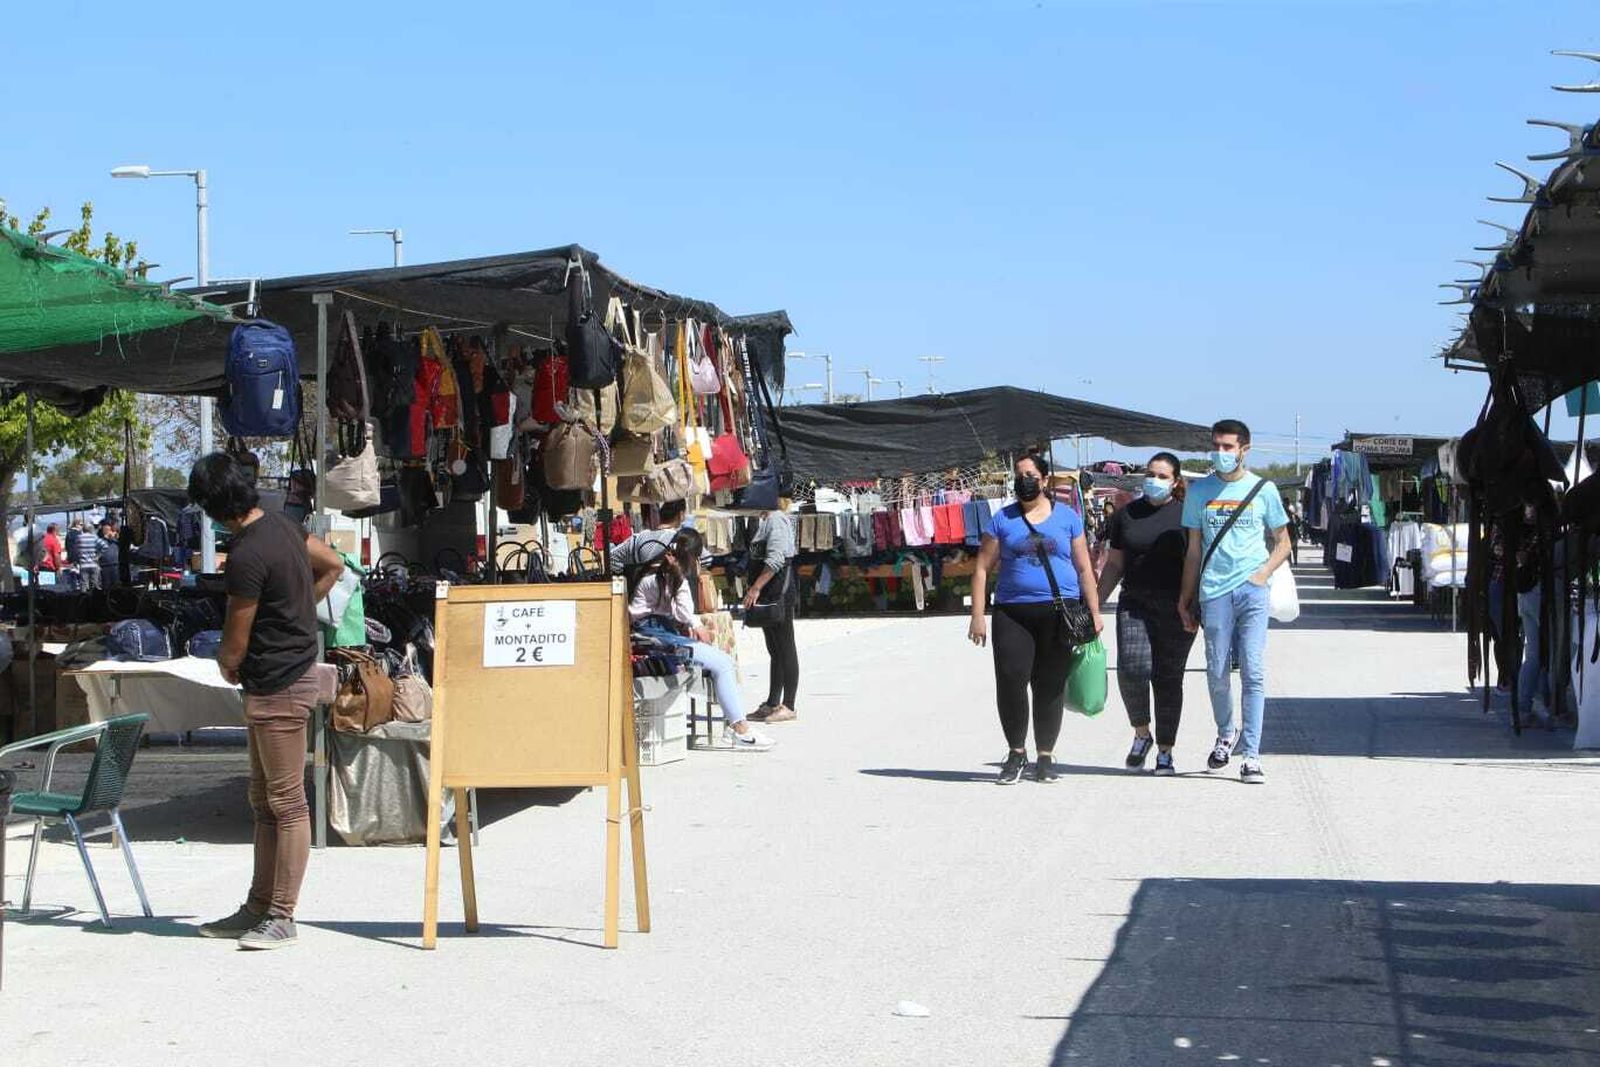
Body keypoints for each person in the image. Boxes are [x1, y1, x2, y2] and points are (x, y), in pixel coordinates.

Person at [187, 453, 343, 949]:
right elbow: (334, 565)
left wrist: (228, 663)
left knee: (287, 803)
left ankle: (281, 915)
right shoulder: (283, 526)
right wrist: (300, 607)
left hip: (276, 684)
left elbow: (236, 636)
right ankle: (258, 906)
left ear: (214, 506)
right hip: (285, 677)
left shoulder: (247, 555)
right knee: (265, 802)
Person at [968, 452, 1104, 784]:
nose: (1023, 480)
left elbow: (1085, 567)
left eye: (1030, 474)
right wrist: (977, 616)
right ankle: (1016, 753)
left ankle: (1045, 756)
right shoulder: (1002, 519)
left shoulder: (1068, 518)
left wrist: (1095, 611)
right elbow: (982, 569)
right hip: (1012, 612)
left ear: (1044, 480)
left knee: (1050, 684)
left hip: (1060, 612)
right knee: (1012, 680)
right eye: (1019, 474)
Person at [1179, 420, 1291, 785]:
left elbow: (1284, 542)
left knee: (1254, 671)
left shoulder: (1264, 489)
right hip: (1214, 591)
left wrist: (1262, 574)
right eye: (1216, 446)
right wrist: (1186, 596)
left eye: (1228, 447)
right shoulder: (1199, 492)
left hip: (1252, 590)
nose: (1221, 453)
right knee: (1216, 671)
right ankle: (1227, 732)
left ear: (1245, 449)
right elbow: (1194, 550)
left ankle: (1252, 755)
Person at [1098, 453, 1197, 776]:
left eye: (1162, 475)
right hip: (1134, 601)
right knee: (1131, 669)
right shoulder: (1126, 515)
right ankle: (1142, 733)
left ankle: (1166, 752)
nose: (1153, 479)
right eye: (1150, 473)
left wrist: (1191, 604)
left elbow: (1196, 564)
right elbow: (1114, 563)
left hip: (1176, 605)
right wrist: (1095, 603)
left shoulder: (1187, 517)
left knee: (1168, 679)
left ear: (1176, 482)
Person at [631, 528, 774, 751]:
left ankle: (738, 726)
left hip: (652, 632)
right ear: (694, 557)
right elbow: (684, 613)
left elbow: (678, 614)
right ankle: (739, 729)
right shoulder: (666, 577)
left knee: (721, 663)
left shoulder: (655, 572)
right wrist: (695, 623)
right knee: (723, 663)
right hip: (654, 636)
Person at [743, 505, 800, 723]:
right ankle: (772, 702)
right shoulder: (764, 519)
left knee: (785, 646)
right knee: (774, 649)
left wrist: (755, 587)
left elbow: (776, 560)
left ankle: (790, 704)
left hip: (779, 592)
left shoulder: (776, 520)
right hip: (769, 593)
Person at [66, 519, 100, 591]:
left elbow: (67, 547)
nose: (82, 526)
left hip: (72, 559)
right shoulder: (79, 535)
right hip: (81, 559)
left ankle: (77, 593)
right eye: (81, 525)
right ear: (76, 524)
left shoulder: (68, 534)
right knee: (87, 581)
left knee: (76, 579)